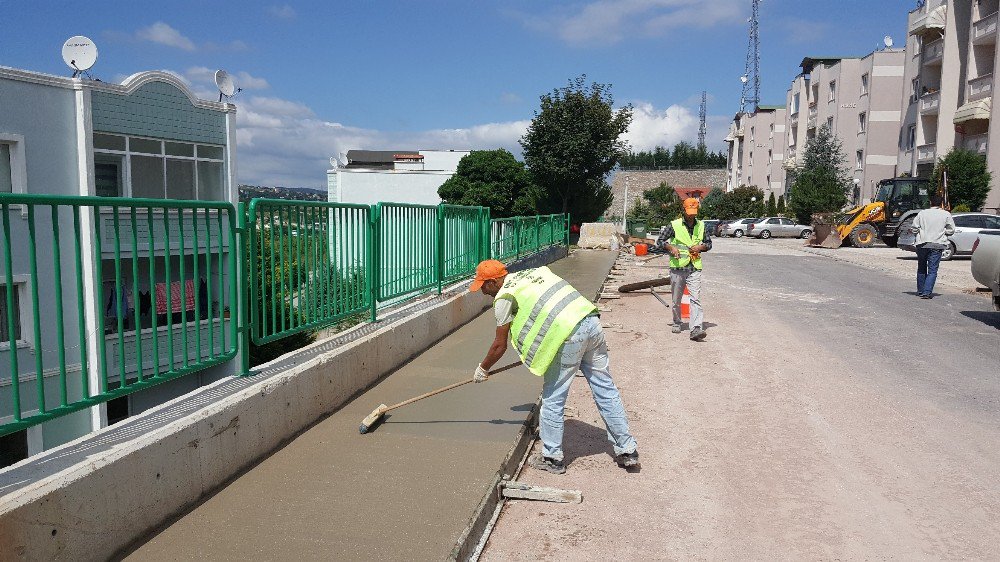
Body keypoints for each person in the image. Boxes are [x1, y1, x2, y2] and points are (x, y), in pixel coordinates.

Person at [469, 260, 638, 474]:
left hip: (567, 336)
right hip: (590, 322)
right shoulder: (533, 273)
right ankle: (628, 450)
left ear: (493, 282)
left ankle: (552, 457)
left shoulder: (504, 296)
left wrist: (483, 368)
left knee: (553, 398)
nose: (483, 292)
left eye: (483, 286)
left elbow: (499, 345)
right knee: (605, 390)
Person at [656, 198, 712, 341]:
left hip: (694, 267)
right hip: (678, 267)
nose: (691, 215)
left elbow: (708, 244)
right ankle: (677, 321)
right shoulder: (674, 225)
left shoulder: (701, 226)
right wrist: (670, 247)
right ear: (683, 210)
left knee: (695, 299)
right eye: (689, 213)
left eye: (694, 213)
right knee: (676, 299)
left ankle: (696, 328)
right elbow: (660, 241)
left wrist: (701, 247)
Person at [910, 194, 955, 299]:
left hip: (922, 243)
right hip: (937, 244)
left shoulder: (922, 213)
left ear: (930, 202)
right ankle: (927, 292)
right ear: (941, 204)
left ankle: (921, 290)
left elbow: (914, 228)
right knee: (932, 270)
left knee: (921, 267)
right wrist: (944, 232)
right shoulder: (946, 214)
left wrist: (919, 232)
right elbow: (951, 230)